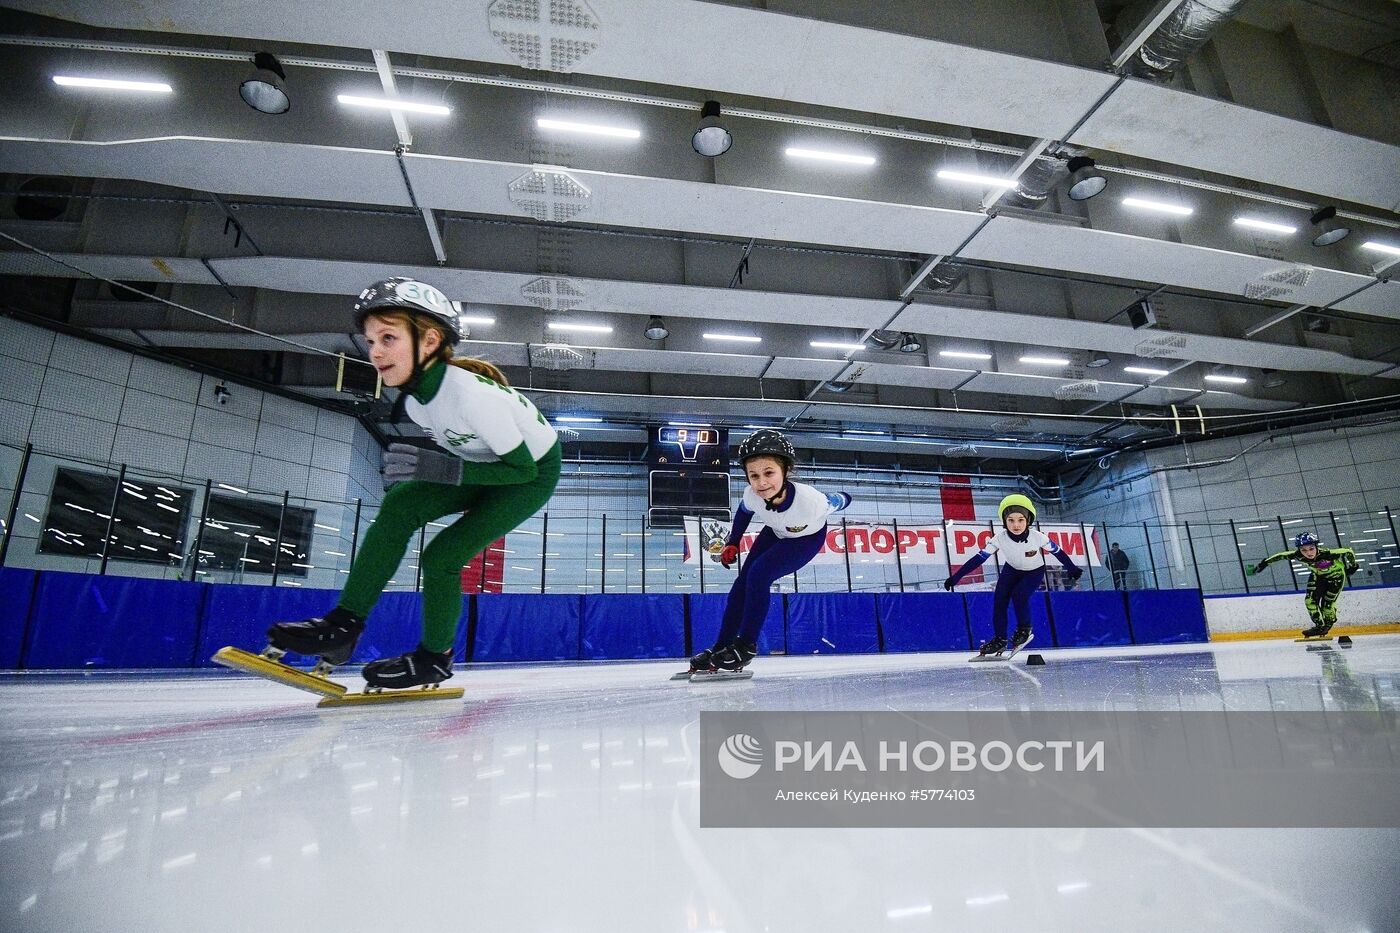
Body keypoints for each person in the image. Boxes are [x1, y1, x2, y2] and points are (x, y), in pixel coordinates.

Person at [265, 277, 561, 689]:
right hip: (486, 463)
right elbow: (471, 457)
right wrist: (443, 472)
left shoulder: (475, 398)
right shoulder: (417, 405)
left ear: (429, 341)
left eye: (388, 338)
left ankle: (434, 658)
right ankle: (342, 627)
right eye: (370, 341)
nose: (375, 353)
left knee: (442, 557)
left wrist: (441, 470)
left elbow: (523, 471)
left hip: (530, 476)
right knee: (401, 504)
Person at [686, 430, 851, 676]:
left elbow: (840, 500)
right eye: (753, 475)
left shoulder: (811, 502)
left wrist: (844, 497)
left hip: (805, 539)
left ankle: (745, 646)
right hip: (774, 531)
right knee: (741, 585)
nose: (761, 483)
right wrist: (733, 542)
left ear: (786, 470)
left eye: (769, 473)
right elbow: (744, 512)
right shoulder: (752, 495)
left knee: (759, 574)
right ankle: (722, 647)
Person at [943, 494, 1083, 657]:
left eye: (1021, 520)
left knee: (1019, 595)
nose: (1016, 525)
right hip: (1012, 569)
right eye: (1011, 520)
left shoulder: (1038, 537)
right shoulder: (999, 539)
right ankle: (1000, 639)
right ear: (1004, 521)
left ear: (1028, 520)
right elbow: (978, 559)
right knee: (999, 600)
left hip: (1034, 570)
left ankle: (1024, 629)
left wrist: (1071, 568)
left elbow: (1058, 552)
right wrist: (957, 577)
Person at [1248, 531, 1357, 638]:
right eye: (1303, 550)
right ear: (1299, 550)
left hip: (1336, 578)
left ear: (1316, 546)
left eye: (1311, 548)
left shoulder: (1327, 554)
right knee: (1310, 602)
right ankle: (1320, 626)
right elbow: (1281, 555)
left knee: (1327, 605)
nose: (1308, 553)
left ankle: (1328, 624)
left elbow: (1348, 552)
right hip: (1318, 576)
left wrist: (1353, 566)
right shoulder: (1298, 555)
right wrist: (1264, 563)